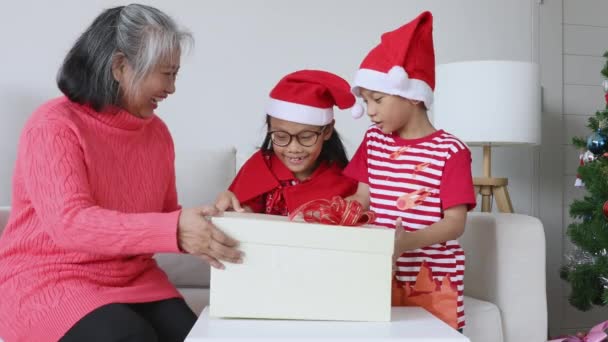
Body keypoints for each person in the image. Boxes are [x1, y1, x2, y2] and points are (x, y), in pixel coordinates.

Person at [0, 4, 242, 342]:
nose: (171, 88)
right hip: (51, 278)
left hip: (134, 277)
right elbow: (70, 224)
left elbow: (162, 217)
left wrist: (210, 224)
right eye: (166, 73)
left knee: (198, 336)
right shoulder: (53, 125)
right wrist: (174, 228)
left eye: (175, 75)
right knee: (127, 336)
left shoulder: (157, 133)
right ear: (119, 66)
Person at [344, 12, 476, 331]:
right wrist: (340, 219)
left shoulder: (451, 151)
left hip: (433, 278)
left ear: (412, 96)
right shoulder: (374, 141)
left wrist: (405, 241)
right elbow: (363, 197)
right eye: (365, 100)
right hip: (378, 272)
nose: (369, 110)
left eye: (377, 98)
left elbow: (455, 223)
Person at [215, 70, 357, 214]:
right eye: (281, 137)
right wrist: (231, 206)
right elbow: (242, 214)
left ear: (327, 131)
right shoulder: (260, 165)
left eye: (306, 136)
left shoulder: (344, 183)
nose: (293, 148)